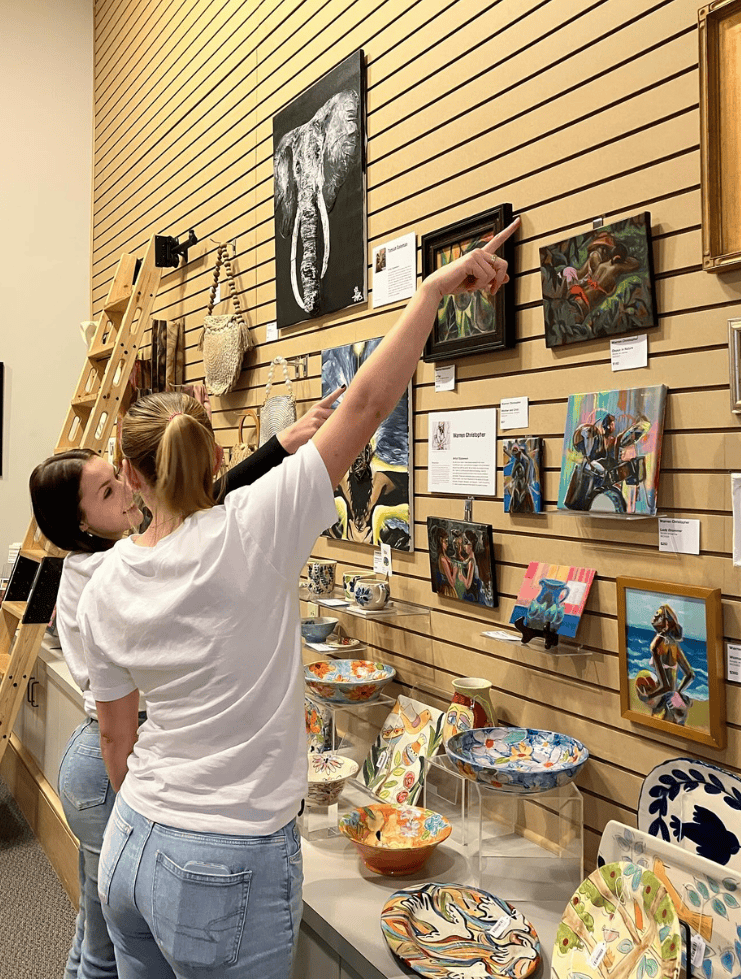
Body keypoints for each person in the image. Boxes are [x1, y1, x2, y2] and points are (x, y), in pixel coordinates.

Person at [76, 217, 519, 979]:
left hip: (132, 844)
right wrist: (435, 289)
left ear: (133, 475)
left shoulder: (107, 579)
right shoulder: (255, 528)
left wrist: (159, 814)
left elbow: (116, 742)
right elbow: (368, 407)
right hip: (225, 861)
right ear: (215, 455)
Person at [28, 393, 340, 979]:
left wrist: (279, 448)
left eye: (113, 479)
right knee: (95, 948)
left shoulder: (116, 562)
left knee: (94, 930)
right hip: (126, 776)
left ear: (130, 472)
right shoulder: (102, 570)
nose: (121, 495)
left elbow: (200, 513)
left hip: (130, 792)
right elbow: (207, 515)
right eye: (104, 494)